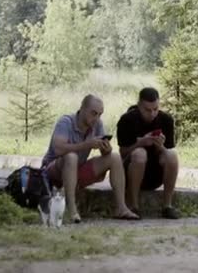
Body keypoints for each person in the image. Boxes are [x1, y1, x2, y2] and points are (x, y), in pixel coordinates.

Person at [42, 94, 139, 223]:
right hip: (54, 171)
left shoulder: (97, 124)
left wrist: (106, 149)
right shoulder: (66, 122)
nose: (96, 118)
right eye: (93, 113)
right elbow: (58, 149)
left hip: (76, 172)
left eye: (100, 114)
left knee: (114, 157)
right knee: (71, 157)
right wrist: (87, 144)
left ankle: (121, 208)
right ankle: (72, 210)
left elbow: (105, 153)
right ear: (82, 109)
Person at [116, 87, 180, 219]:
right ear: (139, 106)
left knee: (172, 155)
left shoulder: (166, 120)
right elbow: (122, 154)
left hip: (155, 175)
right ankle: (134, 206)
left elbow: (167, 154)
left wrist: (160, 147)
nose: (152, 113)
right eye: (147, 110)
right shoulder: (127, 120)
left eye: (155, 109)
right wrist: (140, 143)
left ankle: (167, 205)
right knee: (139, 153)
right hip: (131, 172)